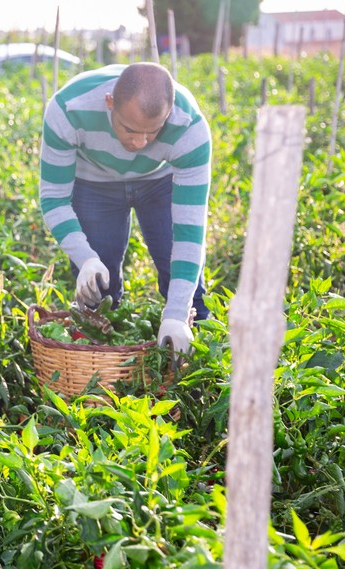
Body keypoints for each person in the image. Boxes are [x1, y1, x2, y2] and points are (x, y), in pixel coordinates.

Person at [39, 62, 211, 353]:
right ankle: (105, 370)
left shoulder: (189, 128)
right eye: (130, 129)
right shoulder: (67, 110)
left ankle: (199, 360)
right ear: (109, 103)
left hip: (159, 180)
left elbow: (190, 234)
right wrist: (86, 258)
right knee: (99, 289)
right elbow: (53, 198)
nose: (140, 143)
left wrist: (177, 314)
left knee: (181, 279)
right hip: (94, 180)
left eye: (152, 132)